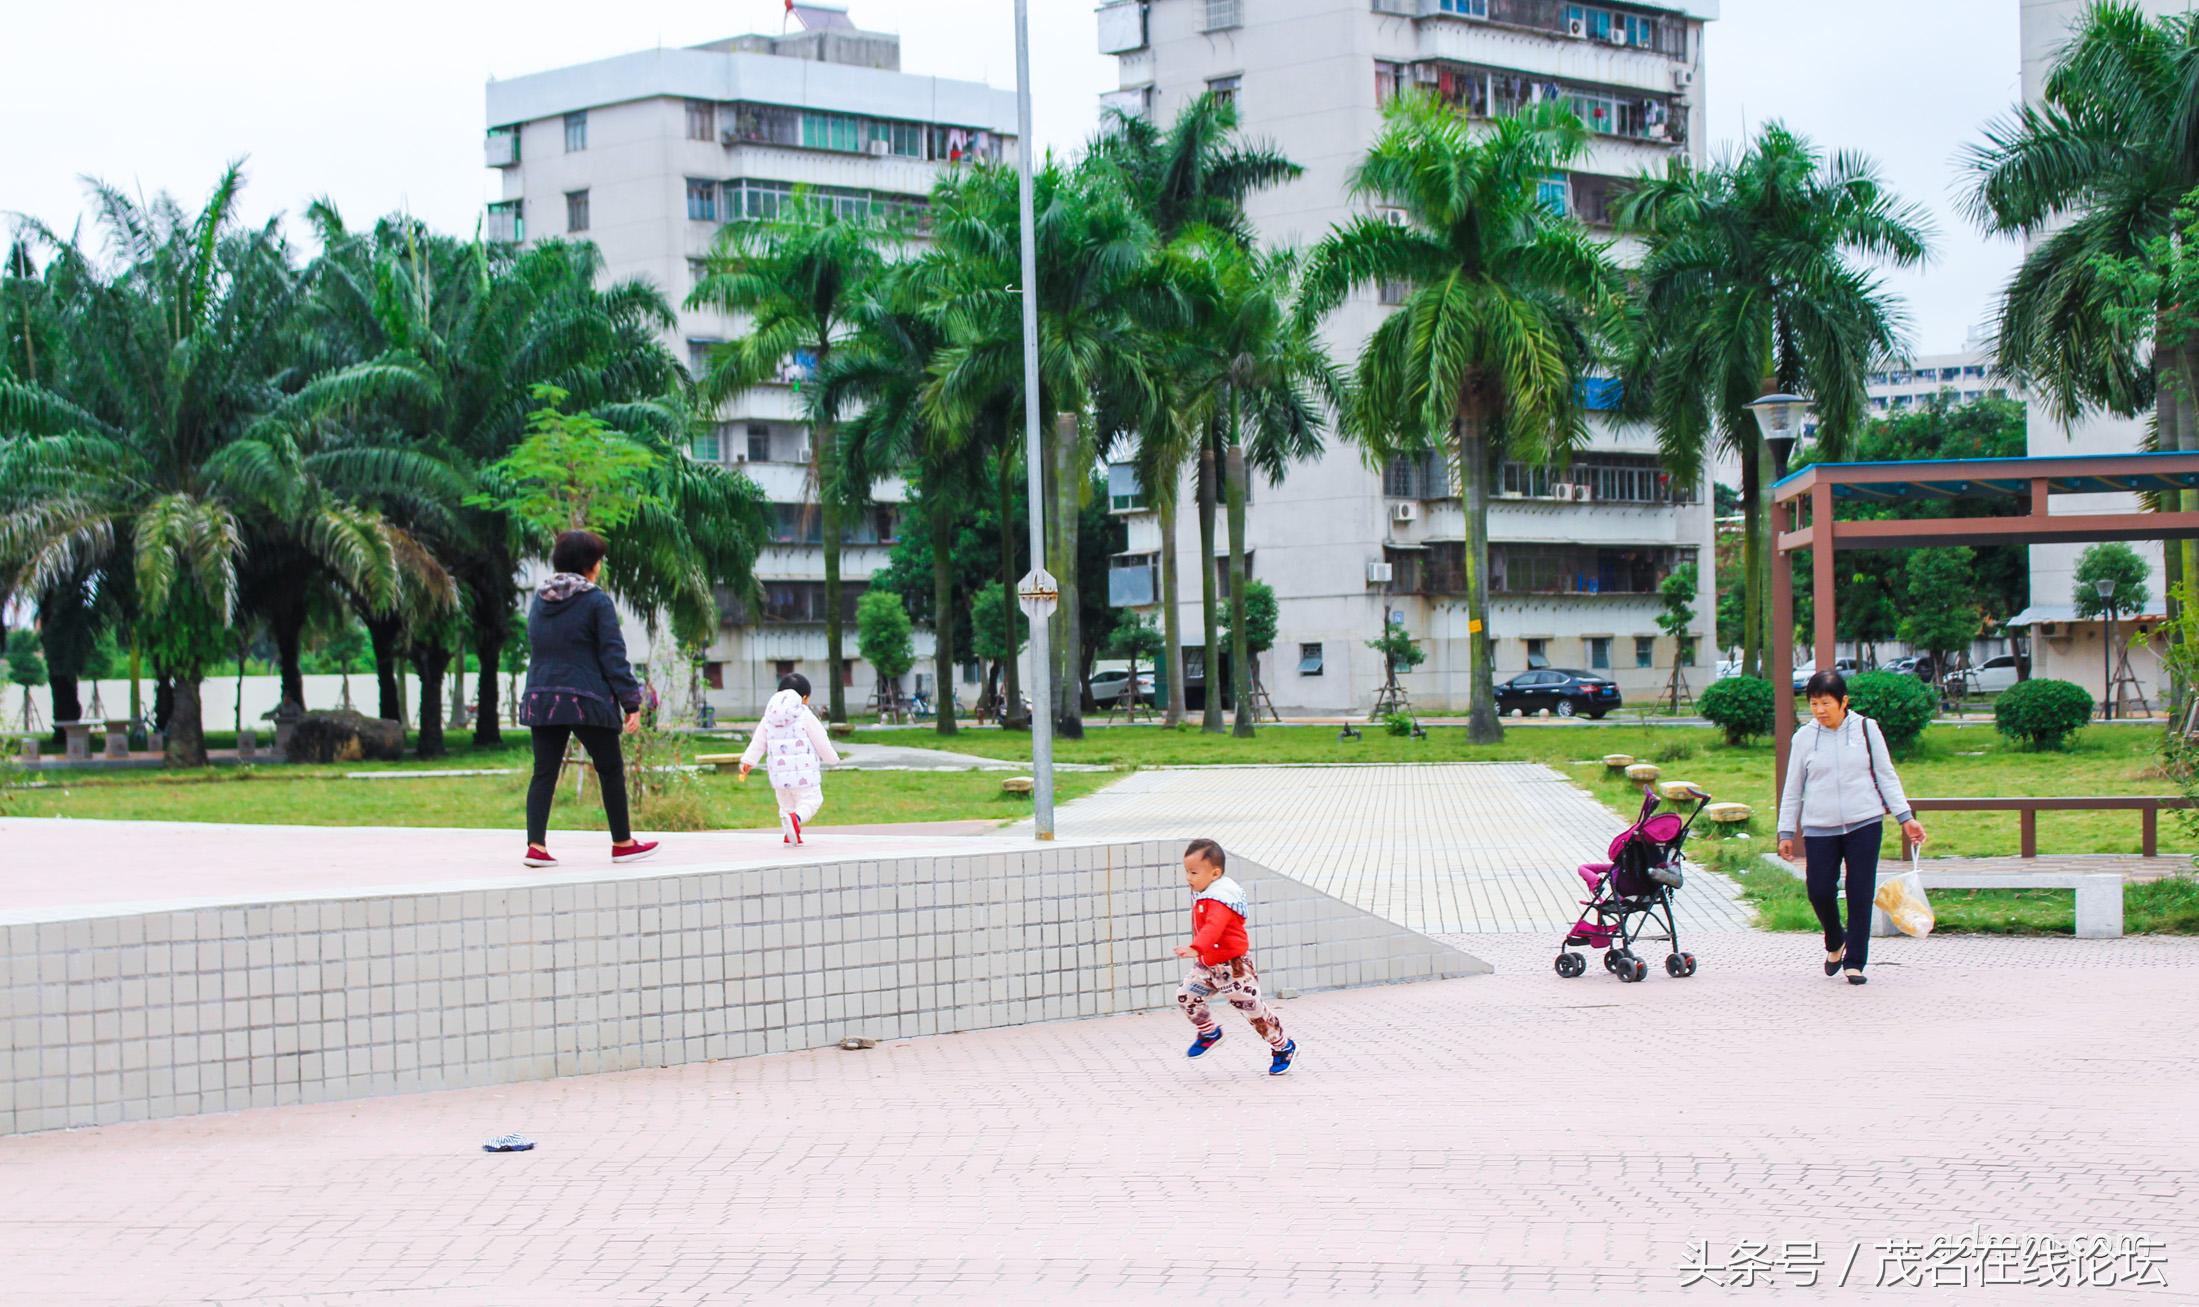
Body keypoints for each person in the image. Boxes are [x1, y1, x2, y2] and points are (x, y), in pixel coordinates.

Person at [515, 530, 659, 869]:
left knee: (544, 772)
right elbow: (612, 654)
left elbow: (537, 644)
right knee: (609, 768)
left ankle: (536, 846)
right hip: (585, 698)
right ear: (590, 565)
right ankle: (622, 842)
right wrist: (631, 702)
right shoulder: (596, 601)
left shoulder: (541, 599)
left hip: (543, 696)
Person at [1776, 670, 1926, 985]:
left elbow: (1886, 775)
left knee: (1860, 891)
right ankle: (1835, 940)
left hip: (1864, 822)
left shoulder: (1867, 730)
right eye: (1814, 703)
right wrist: (1785, 831)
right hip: (1819, 827)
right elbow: (1793, 788)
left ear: (1844, 701)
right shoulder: (1804, 737)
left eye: (1826, 703)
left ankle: (1855, 960)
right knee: (1818, 890)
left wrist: (1905, 817)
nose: (1819, 710)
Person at [1174, 838, 1298, 1076]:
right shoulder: (1205, 892)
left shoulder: (1221, 899)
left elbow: (1214, 927)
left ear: (1215, 873)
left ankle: (1284, 1046)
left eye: (1194, 872)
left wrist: (1196, 947)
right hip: (1208, 966)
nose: (1188, 878)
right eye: (1186, 872)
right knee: (1186, 995)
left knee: (1252, 1009)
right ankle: (1210, 1032)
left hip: (1234, 968)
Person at [738, 673, 840, 845]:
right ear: (804, 697)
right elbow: (821, 740)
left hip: (779, 776)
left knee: (786, 806)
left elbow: (758, 742)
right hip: (804, 775)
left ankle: (790, 833)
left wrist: (748, 761)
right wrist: (833, 759)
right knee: (812, 800)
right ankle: (796, 820)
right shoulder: (805, 715)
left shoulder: (768, 717)